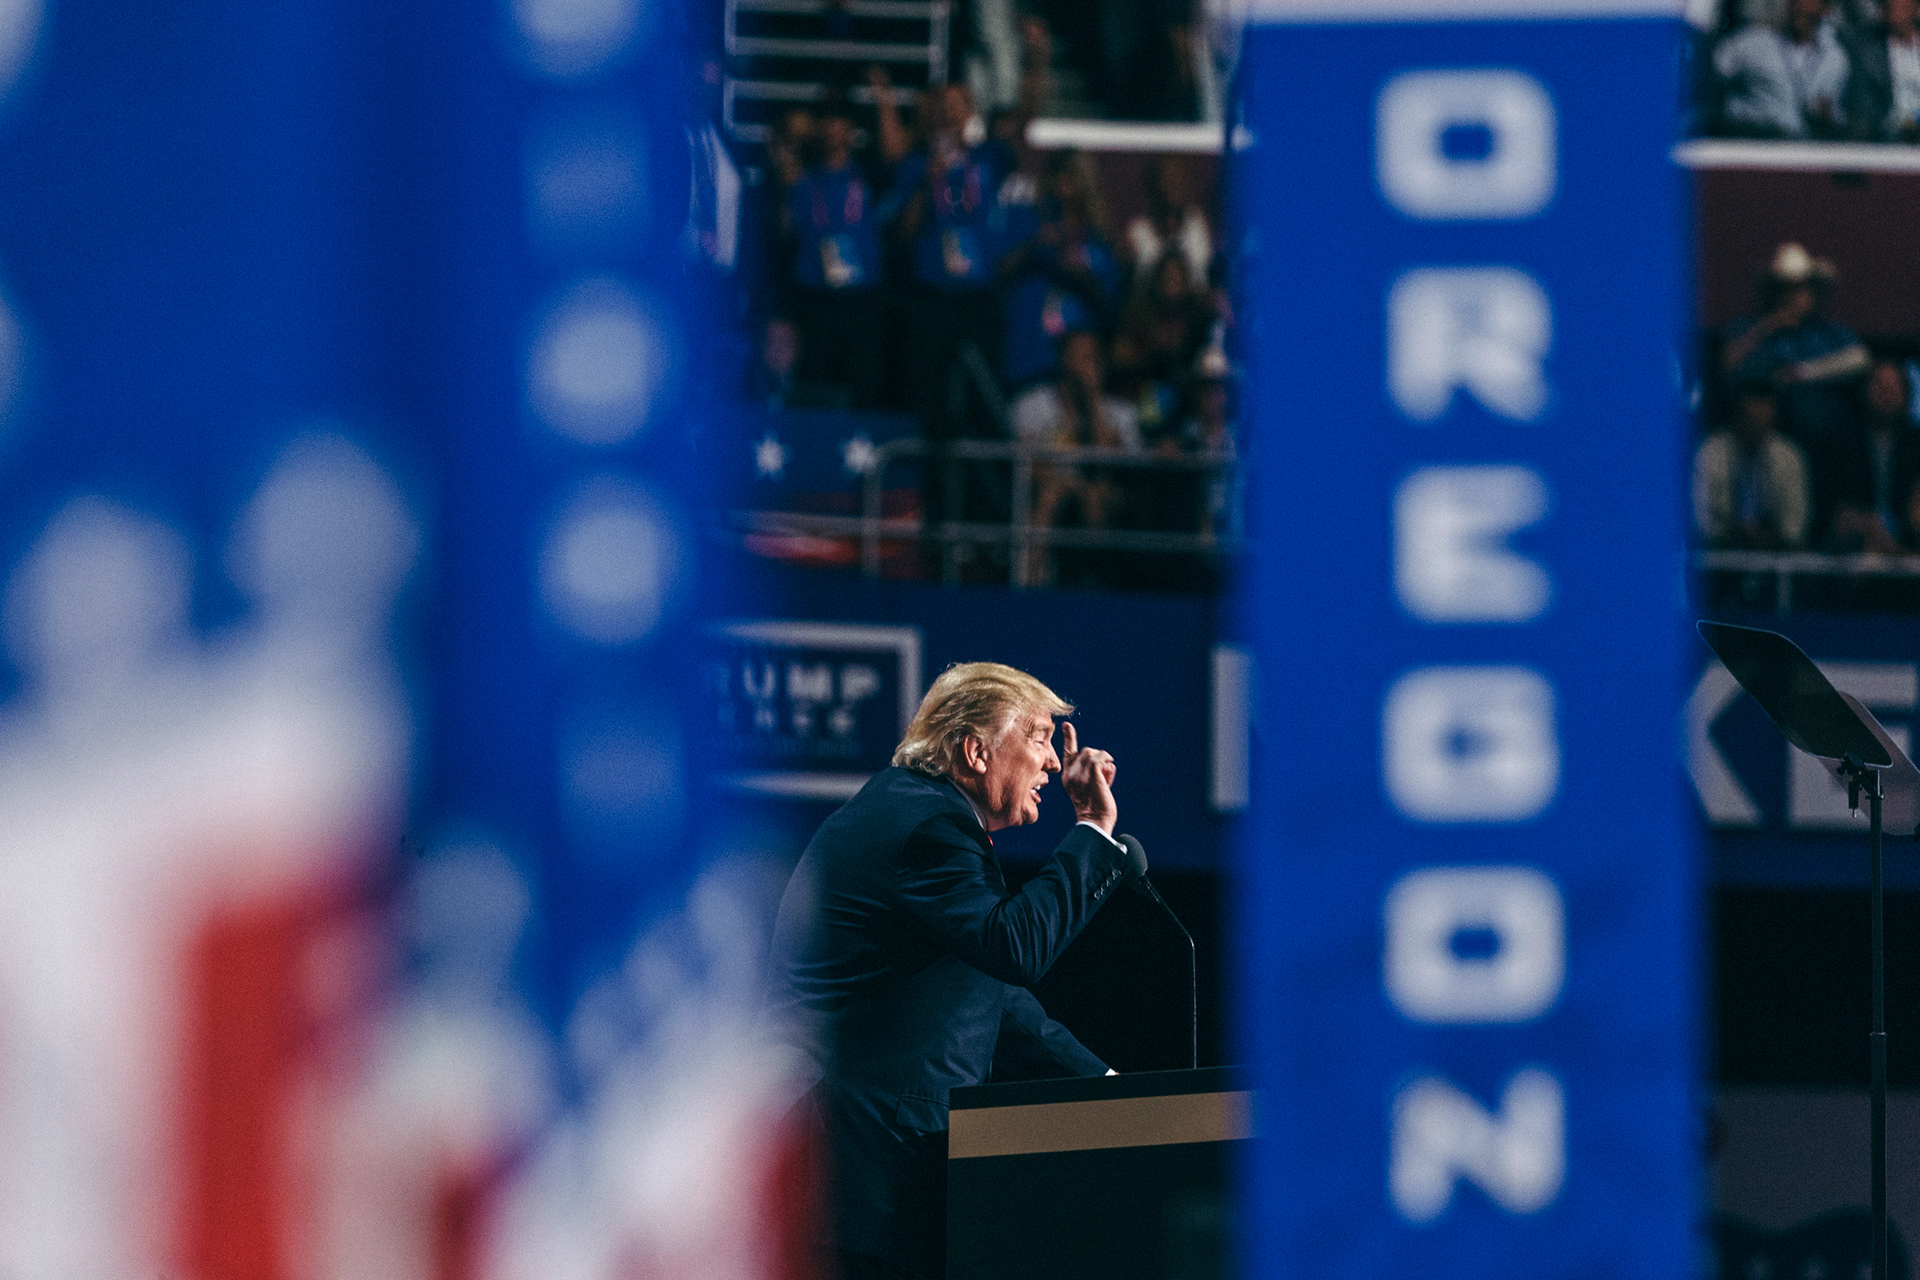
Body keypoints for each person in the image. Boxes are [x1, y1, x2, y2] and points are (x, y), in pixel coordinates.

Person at [766, 663, 1131, 1280]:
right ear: (974, 752)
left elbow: (992, 996)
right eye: (1039, 737)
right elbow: (1014, 946)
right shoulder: (928, 828)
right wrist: (1093, 832)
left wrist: (1109, 1088)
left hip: (867, 1180)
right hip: (861, 1174)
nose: (1052, 762)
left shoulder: (912, 811)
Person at [1009, 329, 1143, 587]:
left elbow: (1108, 465)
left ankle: (1094, 585)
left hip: (1105, 495)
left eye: (1093, 357)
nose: (1088, 365)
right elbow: (1026, 466)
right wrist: (1071, 484)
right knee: (1051, 493)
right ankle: (1027, 587)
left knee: (1096, 497)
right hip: (1049, 488)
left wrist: (1092, 399)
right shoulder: (1031, 405)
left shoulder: (1120, 413)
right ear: (1063, 360)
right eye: (1081, 356)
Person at [783, 98, 886, 407]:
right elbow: (785, 232)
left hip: (860, 300)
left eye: (838, 120)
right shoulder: (802, 180)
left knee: (864, 388)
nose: (831, 129)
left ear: (851, 129)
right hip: (815, 299)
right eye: (825, 121)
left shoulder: (870, 175)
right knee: (815, 389)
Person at [1720, 241, 1870, 448]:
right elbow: (1727, 365)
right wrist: (1769, 326)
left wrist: (1801, 373)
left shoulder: (1827, 331)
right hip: (1764, 442)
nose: (1793, 296)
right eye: (1786, 288)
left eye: (1801, 288)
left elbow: (1860, 359)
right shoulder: (1748, 326)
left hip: (1829, 442)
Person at [1693, 379, 1812, 549]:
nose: (1758, 425)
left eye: (1765, 420)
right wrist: (1731, 532)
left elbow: (1796, 525)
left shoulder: (1789, 457)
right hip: (1720, 551)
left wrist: (1770, 536)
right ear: (1737, 415)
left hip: (1774, 553)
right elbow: (1698, 520)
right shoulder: (1709, 454)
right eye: (1752, 419)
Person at [1818, 358, 1920, 549]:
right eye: (1879, 386)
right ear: (1864, 390)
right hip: (1856, 545)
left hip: (1908, 545)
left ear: (1906, 392)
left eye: (1893, 387)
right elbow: (1831, 505)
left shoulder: (1916, 443)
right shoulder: (1841, 442)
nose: (1886, 393)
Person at [1713, 0, 1850, 137]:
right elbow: (1711, 76)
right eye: (1797, 6)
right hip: (1751, 139)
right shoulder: (1751, 41)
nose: (1803, 9)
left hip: (1802, 144)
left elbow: (1836, 114)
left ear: (1825, 10)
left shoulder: (1835, 59)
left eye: (1809, 15)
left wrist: (1826, 114)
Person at [1843, 0, 1920, 138]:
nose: (1897, 15)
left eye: (1903, 8)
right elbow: (1864, 104)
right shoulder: (1869, 54)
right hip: (1888, 137)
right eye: (1891, 8)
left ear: (1916, 10)